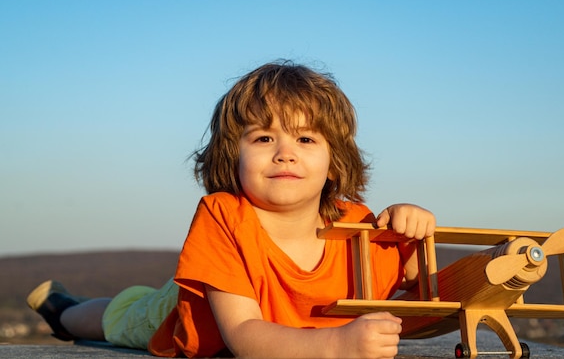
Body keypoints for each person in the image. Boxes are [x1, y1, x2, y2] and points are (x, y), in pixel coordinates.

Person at [28, 60, 436, 358]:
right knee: (122, 318)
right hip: (198, 312)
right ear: (230, 154)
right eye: (263, 139)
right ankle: (61, 309)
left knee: (134, 302)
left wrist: (412, 224)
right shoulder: (223, 215)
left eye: (306, 140)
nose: (285, 154)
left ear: (336, 161)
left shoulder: (357, 224)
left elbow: (428, 286)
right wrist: (335, 344)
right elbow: (242, 335)